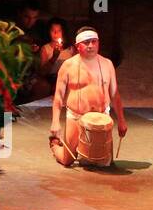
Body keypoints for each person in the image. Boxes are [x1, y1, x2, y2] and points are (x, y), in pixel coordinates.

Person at [48, 26, 127, 167]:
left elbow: (115, 94)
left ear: (98, 43)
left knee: (106, 163)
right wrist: (55, 122)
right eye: (86, 42)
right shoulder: (68, 66)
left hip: (101, 117)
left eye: (94, 41)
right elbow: (58, 97)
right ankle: (55, 145)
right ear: (78, 46)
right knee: (67, 161)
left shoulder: (107, 64)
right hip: (76, 116)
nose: (91, 45)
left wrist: (121, 120)